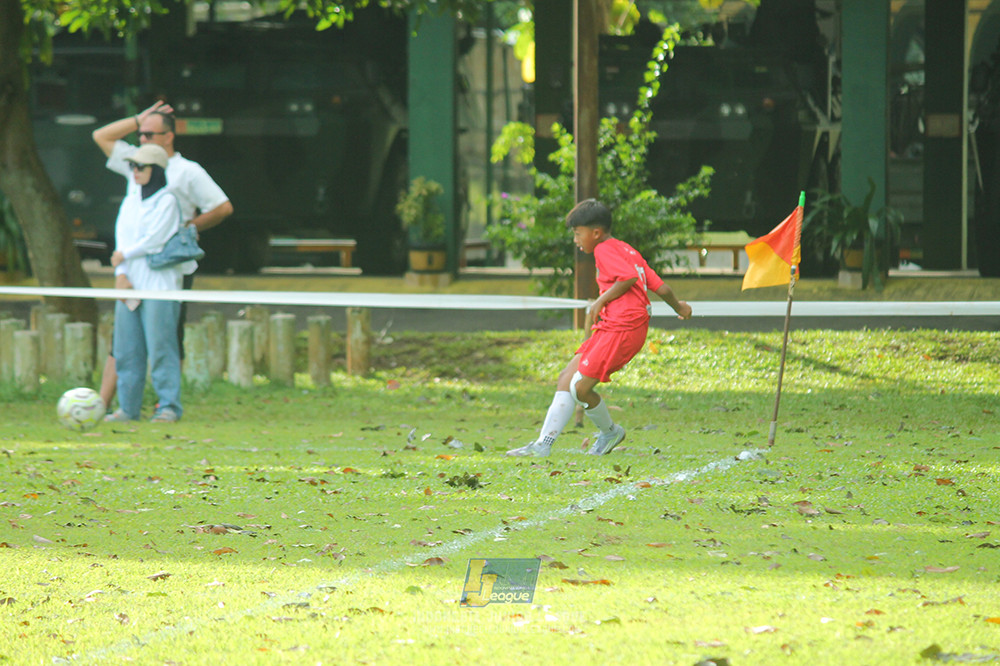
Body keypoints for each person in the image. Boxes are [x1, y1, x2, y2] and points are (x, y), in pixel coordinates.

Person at [507, 199, 692, 457]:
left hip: (623, 328)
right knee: (566, 378)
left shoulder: (603, 250)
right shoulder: (627, 250)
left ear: (595, 232)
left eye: (577, 233)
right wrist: (679, 307)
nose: (576, 239)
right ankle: (542, 445)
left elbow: (626, 278)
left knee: (580, 387)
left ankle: (610, 432)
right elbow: (662, 288)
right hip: (613, 327)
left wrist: (601, 300)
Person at [93, 101, 233, 407]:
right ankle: (107, 405)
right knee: (125, 338)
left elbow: (222, 207)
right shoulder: (136, 168)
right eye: (139, 134)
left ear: (169, 136)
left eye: (149, 134)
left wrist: (186, 229)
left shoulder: (186, 172)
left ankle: (165, 404)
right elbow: (101, 136)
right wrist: (137, 120)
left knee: (165, 338)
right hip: (132, 267)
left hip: (169, 267)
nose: (141, 139)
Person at [103, 144, 185, 422]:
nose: (135, 172)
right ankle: (128, 408)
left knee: (161, 349)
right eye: (133, 167)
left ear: (157, 170)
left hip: (160, 287)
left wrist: (122, 255)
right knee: (127, 350)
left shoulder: (168, 200)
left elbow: (155, 240)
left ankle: (168, 406)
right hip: (129, 286)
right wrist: (121, 274)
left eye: (141, 167)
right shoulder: (131, 200)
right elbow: (121, 238)